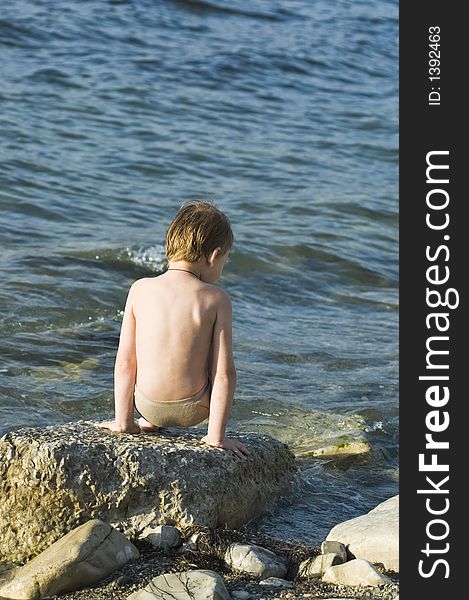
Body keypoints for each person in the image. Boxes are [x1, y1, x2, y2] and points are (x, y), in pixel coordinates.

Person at [98, 200, 249, 458]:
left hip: (146, 406)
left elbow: (125, 363)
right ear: (214, 255)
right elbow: (224, 374)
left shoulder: (139, 288)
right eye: (225, 259)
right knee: (212, 362)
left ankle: (146, 423)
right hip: (194, 408)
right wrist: (216, 437)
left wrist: (124, 422)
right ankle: (213, 434)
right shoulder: (216, 298)